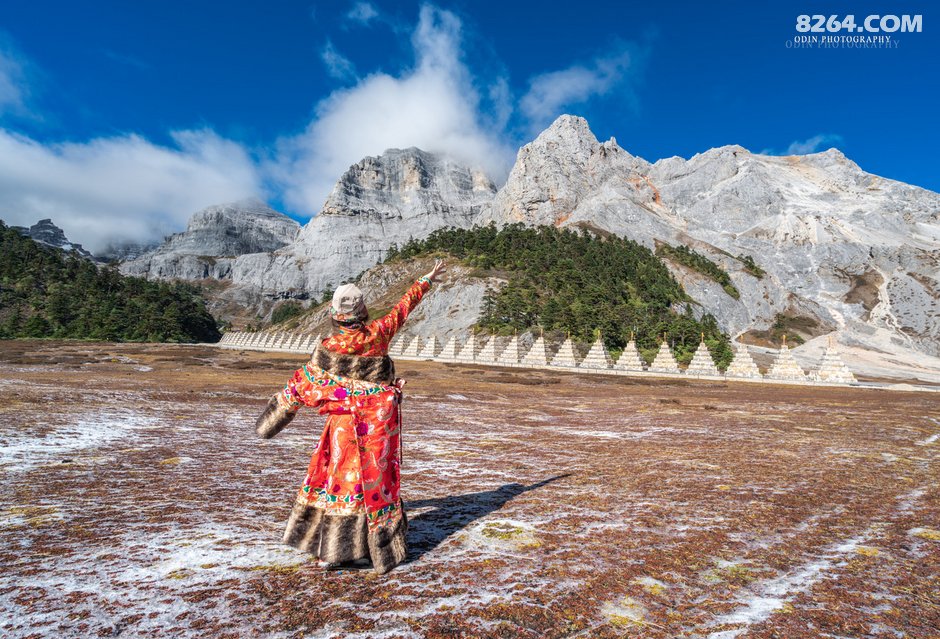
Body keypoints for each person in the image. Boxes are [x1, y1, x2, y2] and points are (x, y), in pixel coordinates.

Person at [254, 259, 446, 574]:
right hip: (375, 428)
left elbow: (300, 386)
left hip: (342, 428)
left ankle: (333, 549)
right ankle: (370, 549)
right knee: (372, 485)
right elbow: (403, 308)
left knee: (340, 482)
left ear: (334, 315)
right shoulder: (379, 333)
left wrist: (268, 424)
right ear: (363, 311)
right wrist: (425, 280)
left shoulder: (328, 348)